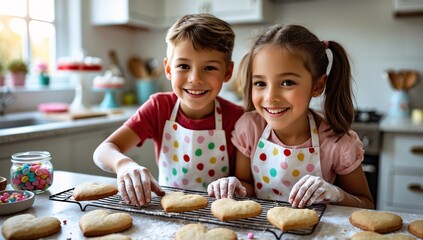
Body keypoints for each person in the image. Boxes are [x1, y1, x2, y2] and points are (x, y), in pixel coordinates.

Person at [207, 24, 374, 209]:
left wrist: (335, 193)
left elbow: (366, 205)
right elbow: (247, 186)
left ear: (317, 86)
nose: (271, 97)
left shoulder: (337, 143)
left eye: (287, 82)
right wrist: (234, 186)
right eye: (260, 83)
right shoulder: (250, 128)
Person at [93, 13, 244, 206]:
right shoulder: (159, 108)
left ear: (228, 72)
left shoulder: (238, 117)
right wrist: (124, 165)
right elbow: (103, 150)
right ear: (168, 69)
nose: (194, 78)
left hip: (219, 213)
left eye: (209, 68)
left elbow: (246, 182)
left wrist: (236, 183)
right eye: (183, 66)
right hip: (169, 211)